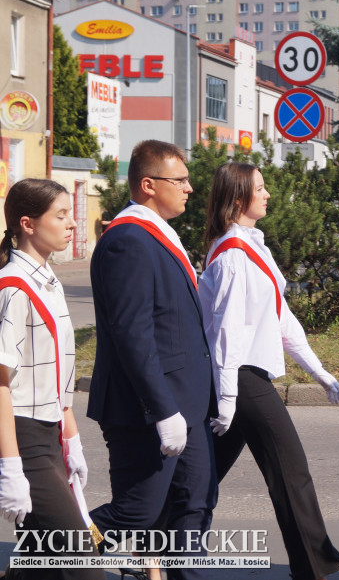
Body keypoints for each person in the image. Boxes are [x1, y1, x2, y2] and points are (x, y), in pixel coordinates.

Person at [198, 162, 339, 580]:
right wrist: (227, 399)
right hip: (240, 379)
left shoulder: (253, 247)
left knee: (199, 480)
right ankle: (313, 567)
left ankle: (160, 548)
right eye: (259, 189)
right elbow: (226, 335)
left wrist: (318, 371)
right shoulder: (232, 255)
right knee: (290, 469)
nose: (267, 194)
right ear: (239, 197)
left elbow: (281, 320)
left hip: (247, 377)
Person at [87, 140, 217, 580]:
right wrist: (163, 411)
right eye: (179, 180)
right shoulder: (129, 240)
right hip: (148, 409)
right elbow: (132, 334)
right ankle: (39, 561)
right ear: (148, 185)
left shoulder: (156, 234)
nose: (189, 188)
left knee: (192, 504)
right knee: (134, 513)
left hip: (188, 404)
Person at [0, 179, 103, 579]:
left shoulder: (48, 281)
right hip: (23, 438)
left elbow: (58, 375)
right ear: (27, 223)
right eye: (60, 215)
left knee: (41, 567)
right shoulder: (14, 288)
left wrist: (71, 439)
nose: (72, 223)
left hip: (49, 433)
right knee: (84, 566)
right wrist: (10, 468)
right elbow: (1, 385)